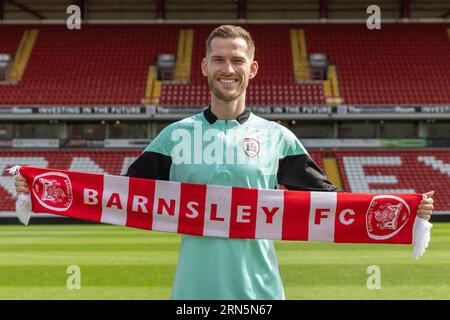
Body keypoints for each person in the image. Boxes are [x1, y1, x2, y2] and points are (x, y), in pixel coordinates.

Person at [15, 25, 434, 300]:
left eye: (236, 60)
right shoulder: (175, 136)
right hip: (192, 296)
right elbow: (118, 197)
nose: (227, 68)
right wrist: (38, 190)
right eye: (218, 59)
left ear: (252, 69)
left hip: (261, 296)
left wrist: (407, 211)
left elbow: (333, 204)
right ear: (204, 67)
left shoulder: (278, 138)